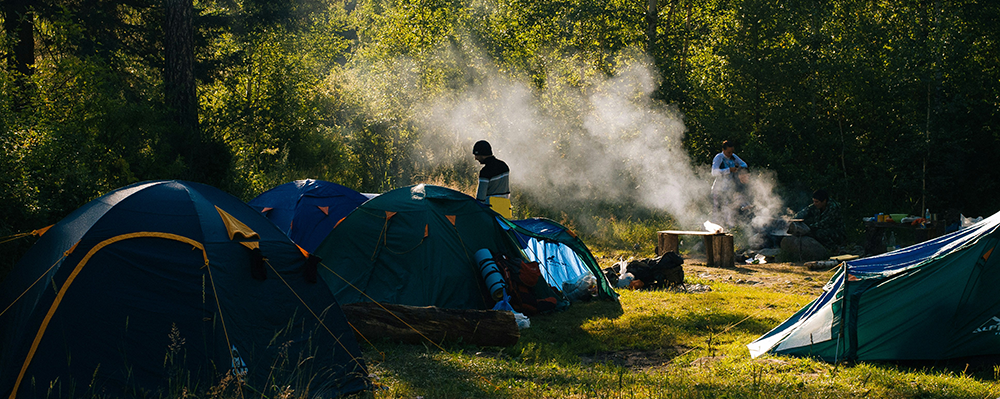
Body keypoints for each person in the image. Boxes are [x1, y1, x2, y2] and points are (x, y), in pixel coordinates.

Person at [787, 189, 846, 257]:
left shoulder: (833, 208)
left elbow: (824, 223)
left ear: (824, 201)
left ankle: (834, 249)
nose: (814, 203)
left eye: (817, 202)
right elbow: (804, 212)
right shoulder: (816, 205)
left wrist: (808, 227)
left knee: (819, 233)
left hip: (837, 232)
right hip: (822, 228)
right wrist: (792, 221)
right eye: (814, 201)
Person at [710, 140, 749, 225]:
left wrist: (737, 169)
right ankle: (715, 229)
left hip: (729, 189)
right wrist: (729, 170)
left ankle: (729, 228)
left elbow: (744, 164)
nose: (730, 154)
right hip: (719, 189)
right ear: (723, 150)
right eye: (728, 152)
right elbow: (714, 172)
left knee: (728, 210)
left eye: (732, 152)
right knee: (717, 211)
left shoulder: (733, 156)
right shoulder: (719, 157)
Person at [473, 140, 512, 218]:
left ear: (482, 154)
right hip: (505, 209)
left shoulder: (485, 172)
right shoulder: (504, 166)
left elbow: (481, 198)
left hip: (490, 211)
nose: (476, 158)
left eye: (476, 155)